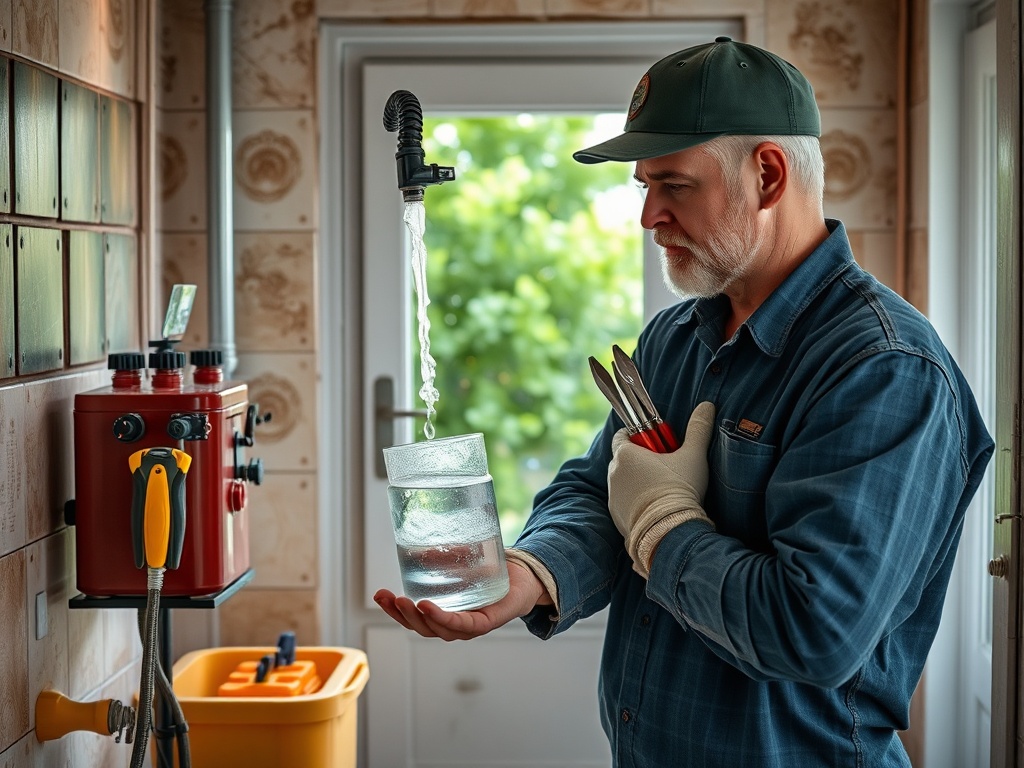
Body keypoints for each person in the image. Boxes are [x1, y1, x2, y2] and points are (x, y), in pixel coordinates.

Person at [374, 36, 994, 767]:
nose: (649, 216)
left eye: (675, 185)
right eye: (645, 187)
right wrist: (531, 574)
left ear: (767, 175)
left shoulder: (884, 369)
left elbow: (815, 631)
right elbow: (598, 489)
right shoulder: (676, 336)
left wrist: (663, 526)